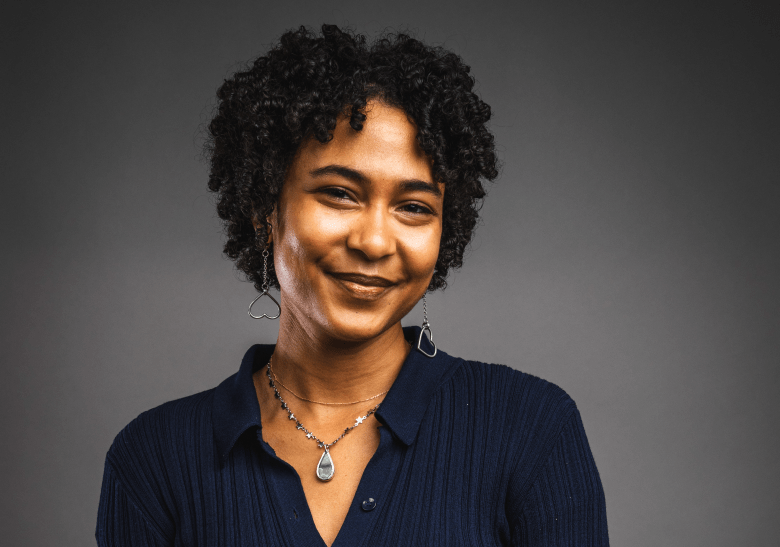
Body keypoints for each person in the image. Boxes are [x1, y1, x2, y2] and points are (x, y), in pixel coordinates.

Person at [96, 24, 609, 546]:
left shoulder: (531, 429)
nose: (375, 241)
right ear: (263, 208)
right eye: (340, 194)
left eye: (413, 207)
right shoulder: (154, 460)